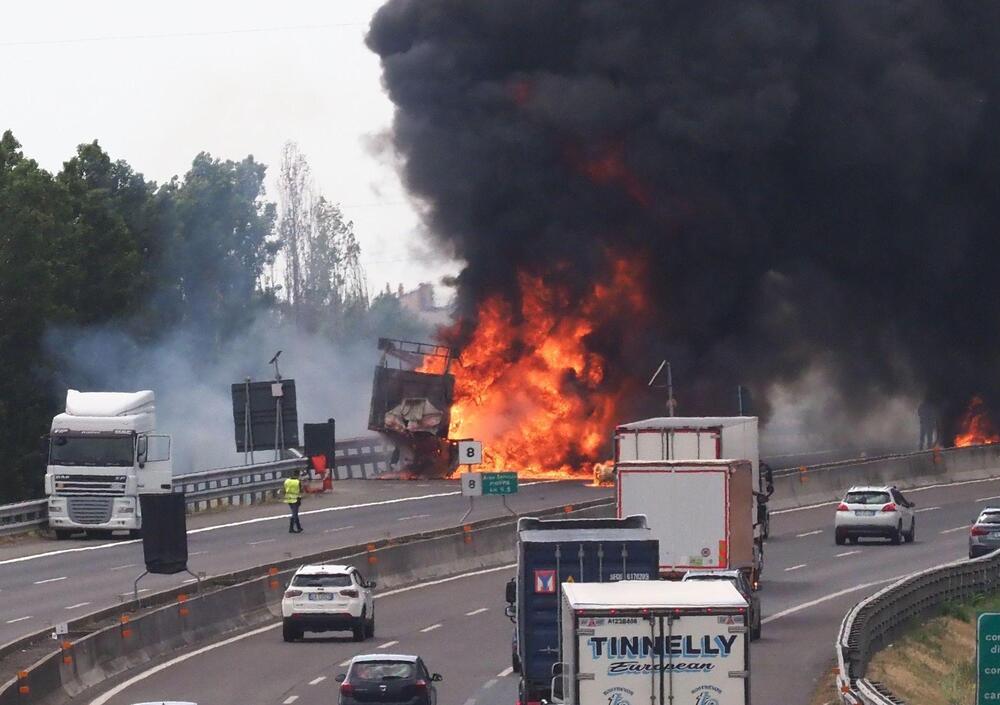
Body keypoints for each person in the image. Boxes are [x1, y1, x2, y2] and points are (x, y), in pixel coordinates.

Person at [283, 469, 303, 533]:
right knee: (294, 514)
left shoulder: (287, 481)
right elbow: (300, 490)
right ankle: (291, 528)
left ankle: (299, 527)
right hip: (295, 499)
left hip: (288, 498)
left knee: (295, 513)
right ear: (298, 475)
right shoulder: (297, 482)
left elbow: (284, 489)